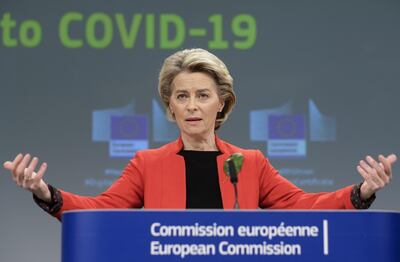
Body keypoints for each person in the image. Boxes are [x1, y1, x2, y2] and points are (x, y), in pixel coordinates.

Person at [3, 48, 397, 221]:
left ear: (221, 104)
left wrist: (360, 193)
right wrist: (46, 193)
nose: (192, 105)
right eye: (182, 96)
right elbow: (98, 212)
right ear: (170, 106)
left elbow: (304, 206)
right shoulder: (147, 164)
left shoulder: (251, 163)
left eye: (202, 96)